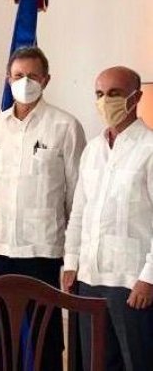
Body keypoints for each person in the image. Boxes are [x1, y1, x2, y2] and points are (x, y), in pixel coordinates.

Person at [0, 46, 86, 370]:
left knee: (45, 337)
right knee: (2, 334)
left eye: (32, 75)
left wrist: (73, 255)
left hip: (42, 249)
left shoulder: (65, 126)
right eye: (18, 75)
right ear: (7, 78)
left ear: (46, 79)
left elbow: (77, 196)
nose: (24, 82)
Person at [63, 66, 153, 370]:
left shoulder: (150, 148)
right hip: (90, 278)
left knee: (138, 361)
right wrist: (71, 262)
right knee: (96, 362)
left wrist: (148, 278)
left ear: (136, 97)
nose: (105, 101)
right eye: (99, 94)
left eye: (114, 93)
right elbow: (79, 212)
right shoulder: (93, 150)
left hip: (131, 281)